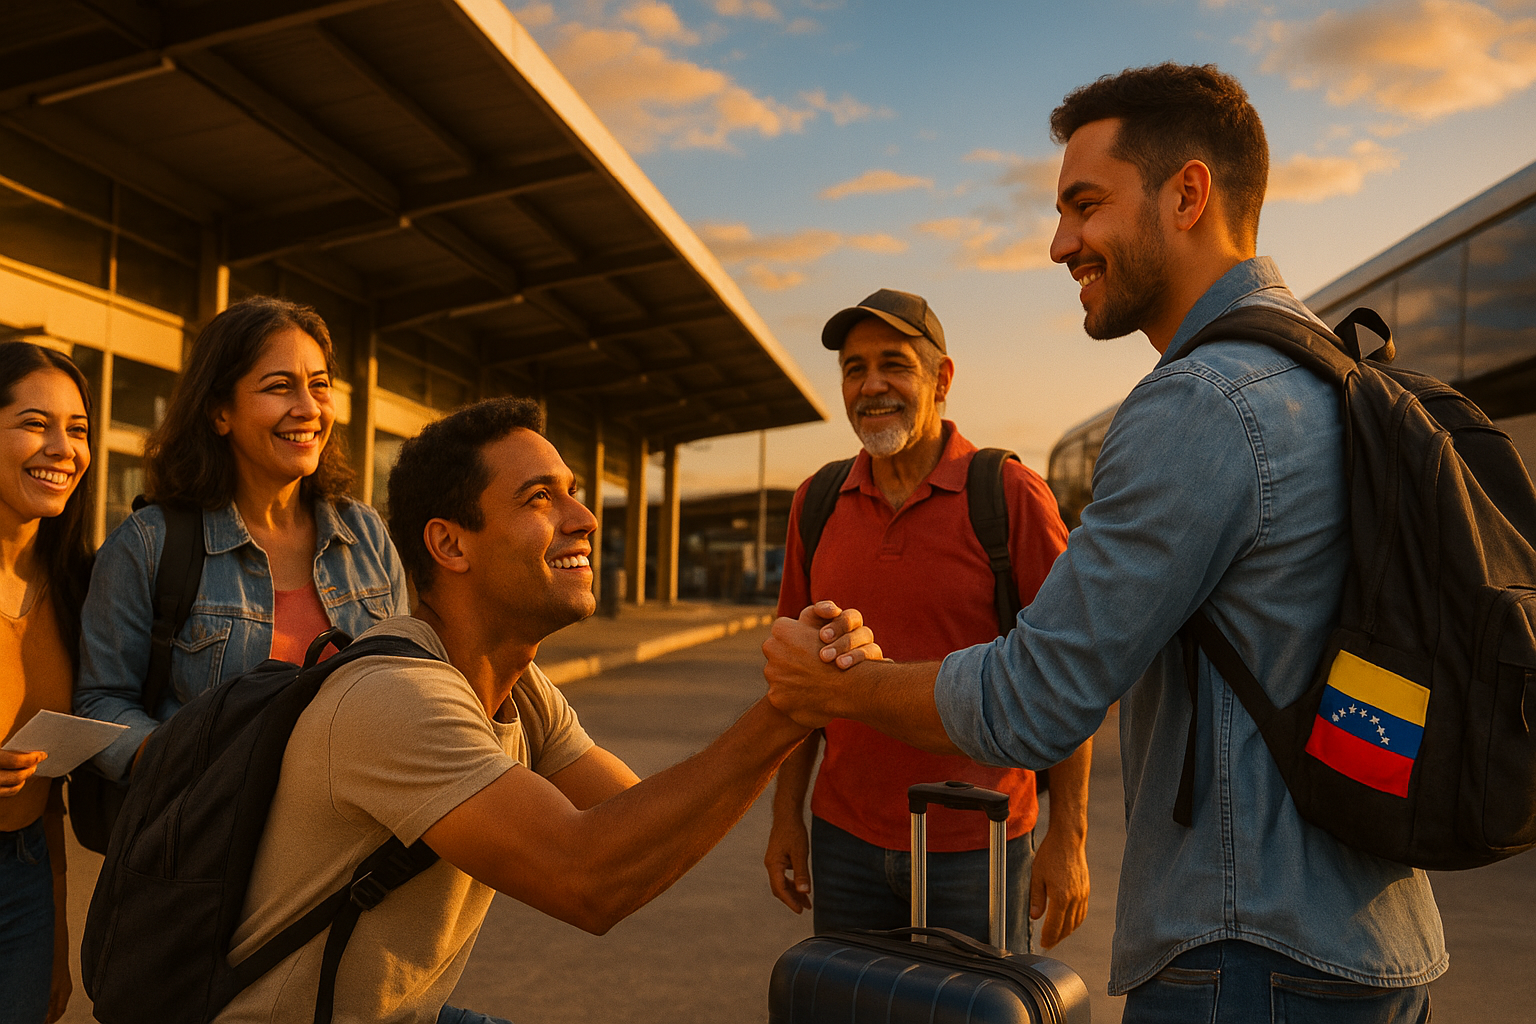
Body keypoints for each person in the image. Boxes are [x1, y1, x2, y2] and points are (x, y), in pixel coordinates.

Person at [764, 63, 1444, 1022]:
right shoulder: (1327, 372)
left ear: (1187, 193)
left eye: (1085, 205)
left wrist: (839, 688)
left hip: (1251, 955)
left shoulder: (1202, 405)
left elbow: (1038, 697)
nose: (1059, 243)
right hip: (1364, 940)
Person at [215, 397, 871, 1024]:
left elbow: (640, 834)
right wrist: (791, 707)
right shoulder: (396, 699)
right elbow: (588, 880)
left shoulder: (517, 687)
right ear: (450, 545)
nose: (584, 518)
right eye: (539, 497)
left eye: (573, 490)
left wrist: (809, 690)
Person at [765, 288, 1091, 953]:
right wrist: (785, 816)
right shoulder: (817, 502)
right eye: (854, 369)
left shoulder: (1007, 495)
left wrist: (1070, 837)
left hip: (979, 840)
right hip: (844, 839)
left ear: (941, 378)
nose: (871, 386)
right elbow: (795, 685)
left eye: (894, 364)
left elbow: (1075, 669)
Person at [75, 297, 409, 781]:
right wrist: (191, 770)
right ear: (219, 413)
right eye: (280, 387)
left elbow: (408, 682)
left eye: (320, 385)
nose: (309, 408)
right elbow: (100, 700)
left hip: (357, 833)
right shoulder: (148, 543)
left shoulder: (365, 534)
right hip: (216, 842)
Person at [0, 344, 95, 1024]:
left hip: (25, 868)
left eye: (79, 429)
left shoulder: (76, 587)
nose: (62, 448)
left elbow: (52, 786)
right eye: (36, 423)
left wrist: (57, 929)